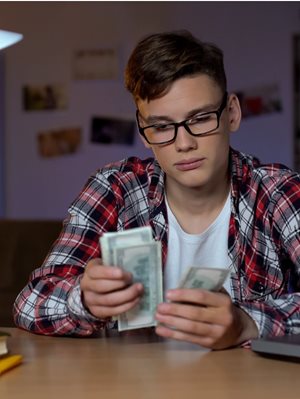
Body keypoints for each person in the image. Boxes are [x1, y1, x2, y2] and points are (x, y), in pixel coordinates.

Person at [13, 30, 300, 350]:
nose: (184, 143)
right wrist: (84, 299)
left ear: (231, 113)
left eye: (202, 118)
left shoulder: (278, 192)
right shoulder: (114, 189)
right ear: (144, 132)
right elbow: (30, 304)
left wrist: (248, 322)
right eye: (162, 127)